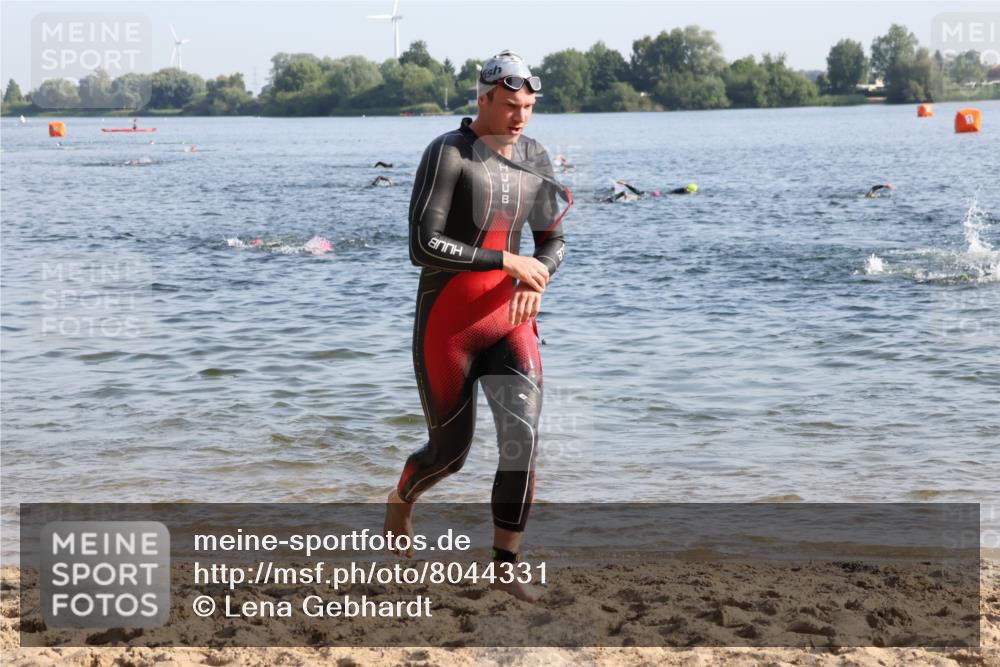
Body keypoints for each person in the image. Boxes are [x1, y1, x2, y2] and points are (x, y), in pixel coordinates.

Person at [384, 49, 570, 603]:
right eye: (510, 105)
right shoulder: (448, 153)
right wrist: (505, 263)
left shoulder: (535, 157)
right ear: (483, 98)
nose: (520, 118)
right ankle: (401, 500)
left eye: (529, 106)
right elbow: (423, 244)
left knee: (523, 441)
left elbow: (553, 242)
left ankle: (504, 566)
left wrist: (537, 277)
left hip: (510, 320)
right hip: (449, 325)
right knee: (451, 454)